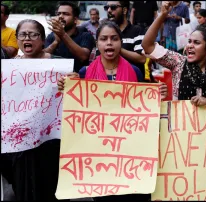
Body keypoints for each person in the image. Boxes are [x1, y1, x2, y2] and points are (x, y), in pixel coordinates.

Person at [57, 20, 167, 202]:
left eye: (114, 39)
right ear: (97, 44)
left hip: (130, 154)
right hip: (98, 157)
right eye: (104, 39)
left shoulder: (135, 72)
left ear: (120, 43)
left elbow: (143, 109)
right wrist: (66, 86)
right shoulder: (84, 74)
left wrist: (157, 94)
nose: (109, 43)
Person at [4, 19, 71, 201]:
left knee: (50, 187)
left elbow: (74, 95)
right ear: (17, 39)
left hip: (50, 142)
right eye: (23, 35)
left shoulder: (59, 65)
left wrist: (72, 82)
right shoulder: (9, 69)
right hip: (21, 145)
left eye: (33, 34)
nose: (28, 38)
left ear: (42, 40)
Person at [142, 1, 206, 104]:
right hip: (180, 119)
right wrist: (162, 15)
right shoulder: (178, 62)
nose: (189, 46)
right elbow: (147, 46)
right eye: (189, 42)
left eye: (196, 43)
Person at [45, 1, 95, 73]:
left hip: (76, 81)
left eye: (66, 14)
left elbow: (83, 57)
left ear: (75, 20)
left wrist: (63, 35)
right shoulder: (51, 36)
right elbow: (42, 58)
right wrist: (55, 42)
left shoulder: (85, 35)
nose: (60, 16)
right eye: (58, 14)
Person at [104, 1, 147, 78]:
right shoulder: (103, 32)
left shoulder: (137, 31)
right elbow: (98, 58)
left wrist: (117, 49)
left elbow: (142, 58)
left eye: (113, 7)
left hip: (132, 83)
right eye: (107, 8)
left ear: (124, 10)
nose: (109, 10)